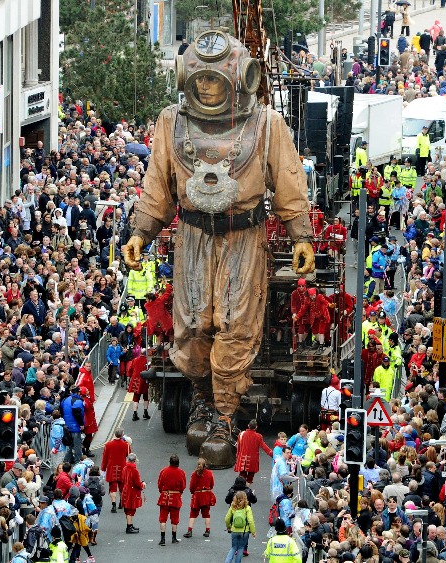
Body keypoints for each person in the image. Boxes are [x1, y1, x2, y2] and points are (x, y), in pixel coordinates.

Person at [122, 30, 315, 467]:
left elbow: (287, 180)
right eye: (201, 79)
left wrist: (301, 233)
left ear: (240, 79)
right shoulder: (171, 122)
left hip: (243, 235)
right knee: (191, 326)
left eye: (215, 79)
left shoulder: (265, 125)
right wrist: (142, 231)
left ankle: (225, 415)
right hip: (191, 234)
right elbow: (158, 185)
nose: (207, 87)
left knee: (235, 325)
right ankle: (202, 399)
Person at [156, 454, 187, 546]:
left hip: (165, 497)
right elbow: (183, 486)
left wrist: (162, 491)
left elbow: (159, 484)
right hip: (175, 497)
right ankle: (174, 538)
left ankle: (162, 539)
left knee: (163, 519)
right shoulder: (181, 473)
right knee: (175, 519)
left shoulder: (163, 471)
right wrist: (179, 493)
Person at [100, 428, 131, 513]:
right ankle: (121, 503)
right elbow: (129, 455)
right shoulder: (126, 445)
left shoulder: (108, 445)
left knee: (112, 488)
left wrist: (103, 469)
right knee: (122, 487)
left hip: (111, 469)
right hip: (122, 469)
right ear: (122, 435)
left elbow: (105, 458)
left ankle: (113, 504)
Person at [184, 458, 216, 538]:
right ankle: (207, 530)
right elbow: (212, 484)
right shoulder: (209, 473)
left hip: (197, 495)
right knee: (206, 513)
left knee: (193, 513)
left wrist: (193, 492)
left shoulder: (194, 474)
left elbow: (191, 486)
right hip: (206, 495)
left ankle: (189, 530)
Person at [233, 420, 272, 484]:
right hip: (252, 460)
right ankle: (247, 489)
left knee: (242, 475)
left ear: (248, 425)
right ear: (256, 427)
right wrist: (272, 454)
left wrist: (237, 457)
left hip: (242, 459)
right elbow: (264, 447)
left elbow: (238, 447)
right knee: (250, 477)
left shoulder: (241, 434)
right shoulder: (258, 436)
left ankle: (242, 490)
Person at [224, 491, 256, 563]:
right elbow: (250, 521)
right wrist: (253, 531)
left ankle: (227, 561)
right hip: (244, 531)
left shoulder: (233, 507)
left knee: (233, 547)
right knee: (241, 548)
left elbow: (227, 519)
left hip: (234, 530)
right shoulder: (247, 508)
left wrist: (229, 526)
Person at [120, 453, 145, 534]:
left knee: (127, 509)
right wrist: (143, 485)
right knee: (131, 509)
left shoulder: (124, 468)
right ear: (134, 460)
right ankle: (129, 527)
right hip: (132, 492)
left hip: (125, 490)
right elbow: (137, 483)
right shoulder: (135, 470)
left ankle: (130, 525)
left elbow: (123, 479)